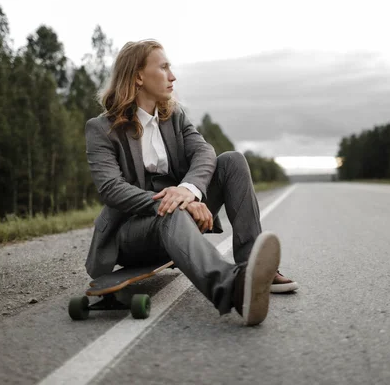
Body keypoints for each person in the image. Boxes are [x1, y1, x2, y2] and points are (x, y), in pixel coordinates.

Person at [84, 39, 298, 326]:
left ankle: (252, 271)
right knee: (169, 211)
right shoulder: (101, 129)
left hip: (177, 215)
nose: (173, 76)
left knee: (232, 161)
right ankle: (232, 289)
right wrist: (176, 204)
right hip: (131, 232)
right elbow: (112, 189)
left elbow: (204, 152)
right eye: (163, 68)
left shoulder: (173, 116)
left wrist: (188, 191)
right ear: (138, 76)